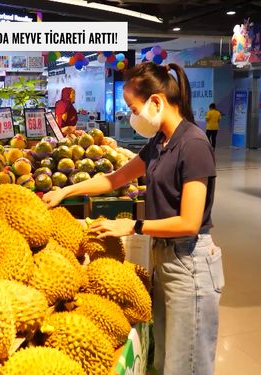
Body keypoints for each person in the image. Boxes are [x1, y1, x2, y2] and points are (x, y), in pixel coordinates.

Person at [43, 62, 223, 375]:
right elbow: (115, 179)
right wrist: (66, 192)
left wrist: (134, 225)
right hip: (165, 256)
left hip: (191, 262)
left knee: (187, 365)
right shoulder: (160, 143)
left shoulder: (193, 145)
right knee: (165, 359)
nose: (132, 116)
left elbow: (190, 222)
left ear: (156, 102)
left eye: (133, 107)